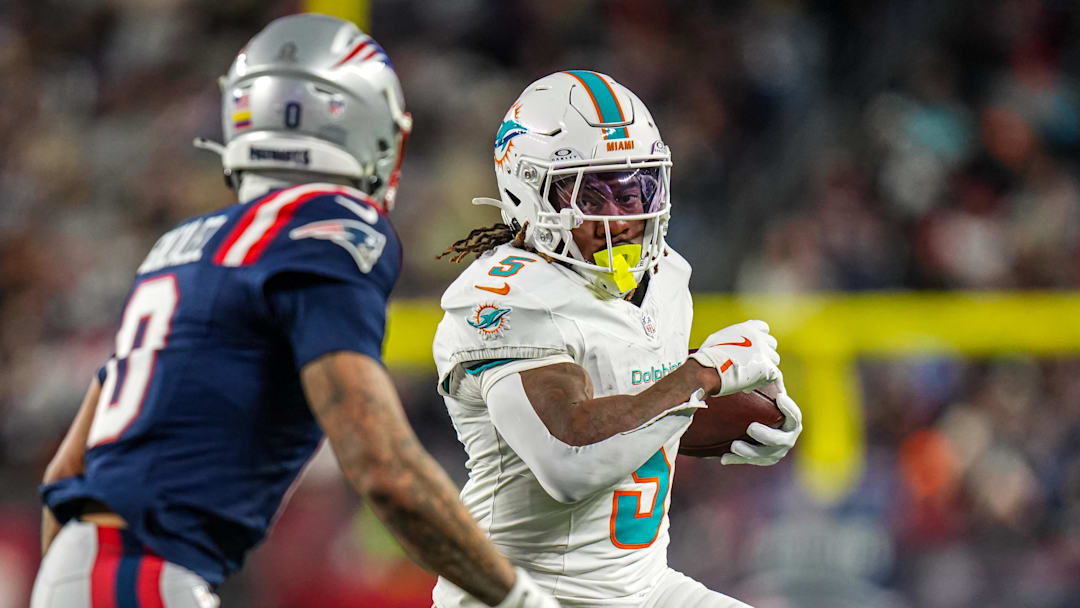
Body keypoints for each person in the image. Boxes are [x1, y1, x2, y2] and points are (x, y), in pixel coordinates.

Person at [31, 15, 558, 608]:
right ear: (369, 126)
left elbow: (65, 472)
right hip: (143, 577)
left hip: (89, 569)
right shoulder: (329, 229)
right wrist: (517, 597)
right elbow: (384, 468)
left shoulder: (182, 246)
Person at [430, 71, 804, 607]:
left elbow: (633, 408)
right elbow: (570, 457)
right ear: (529, 193)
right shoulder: (504, 300)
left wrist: (731, 421)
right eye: (595, 194)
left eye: (636, 190)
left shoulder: (667, 278)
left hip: (643, 588)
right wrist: (702, 375)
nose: (626, 218)